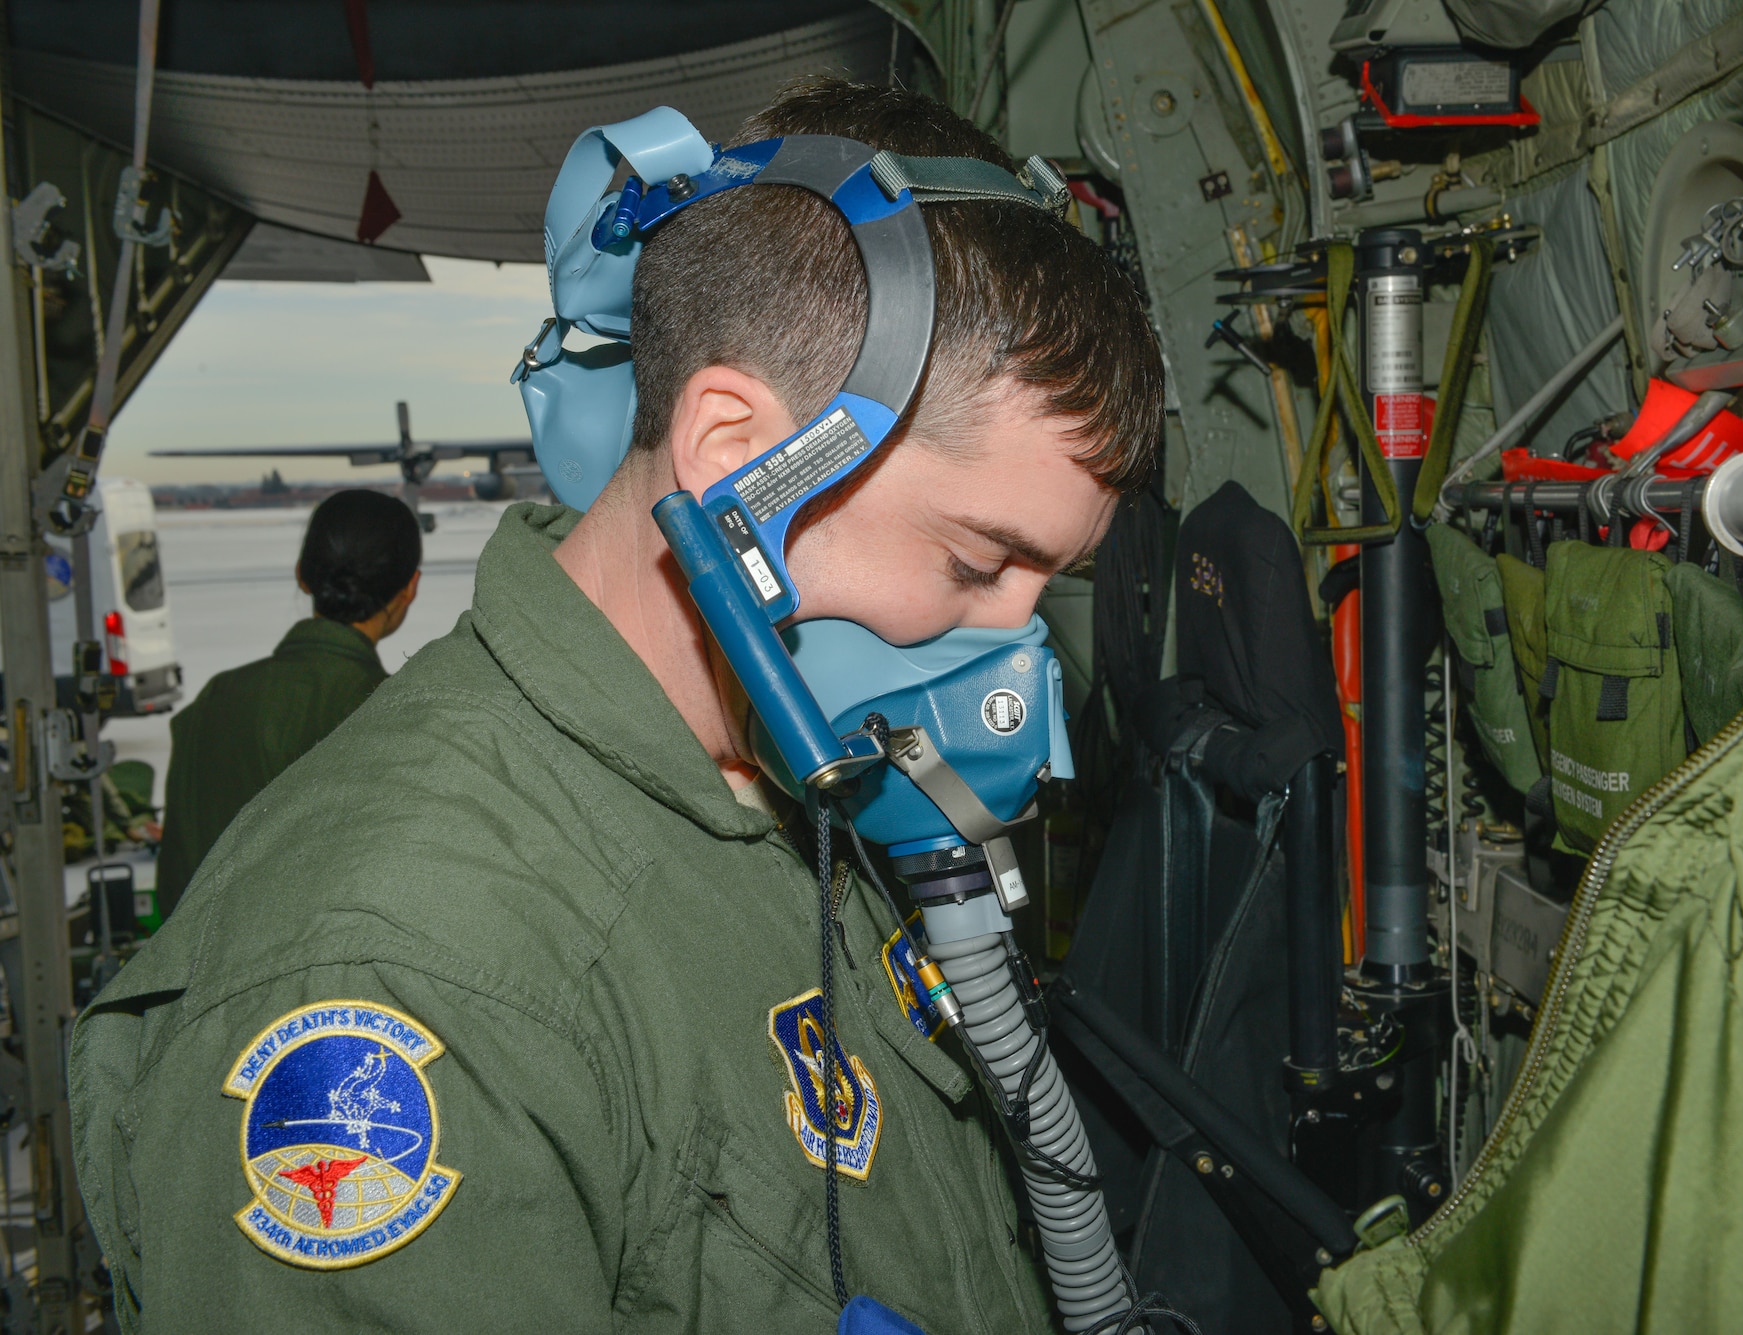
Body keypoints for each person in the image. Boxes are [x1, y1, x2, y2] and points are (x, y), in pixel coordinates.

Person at [70, 78, 1159, 1333]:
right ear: (739, 453)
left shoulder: (795, 784)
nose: (1016, 641)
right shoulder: (408, 978)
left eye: (1045, 583)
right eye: (975, 563)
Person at [153, 489, 421, 914]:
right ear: (410, 588)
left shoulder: (215, 700)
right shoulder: (399, 719)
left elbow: (175, 883)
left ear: (302, 575)